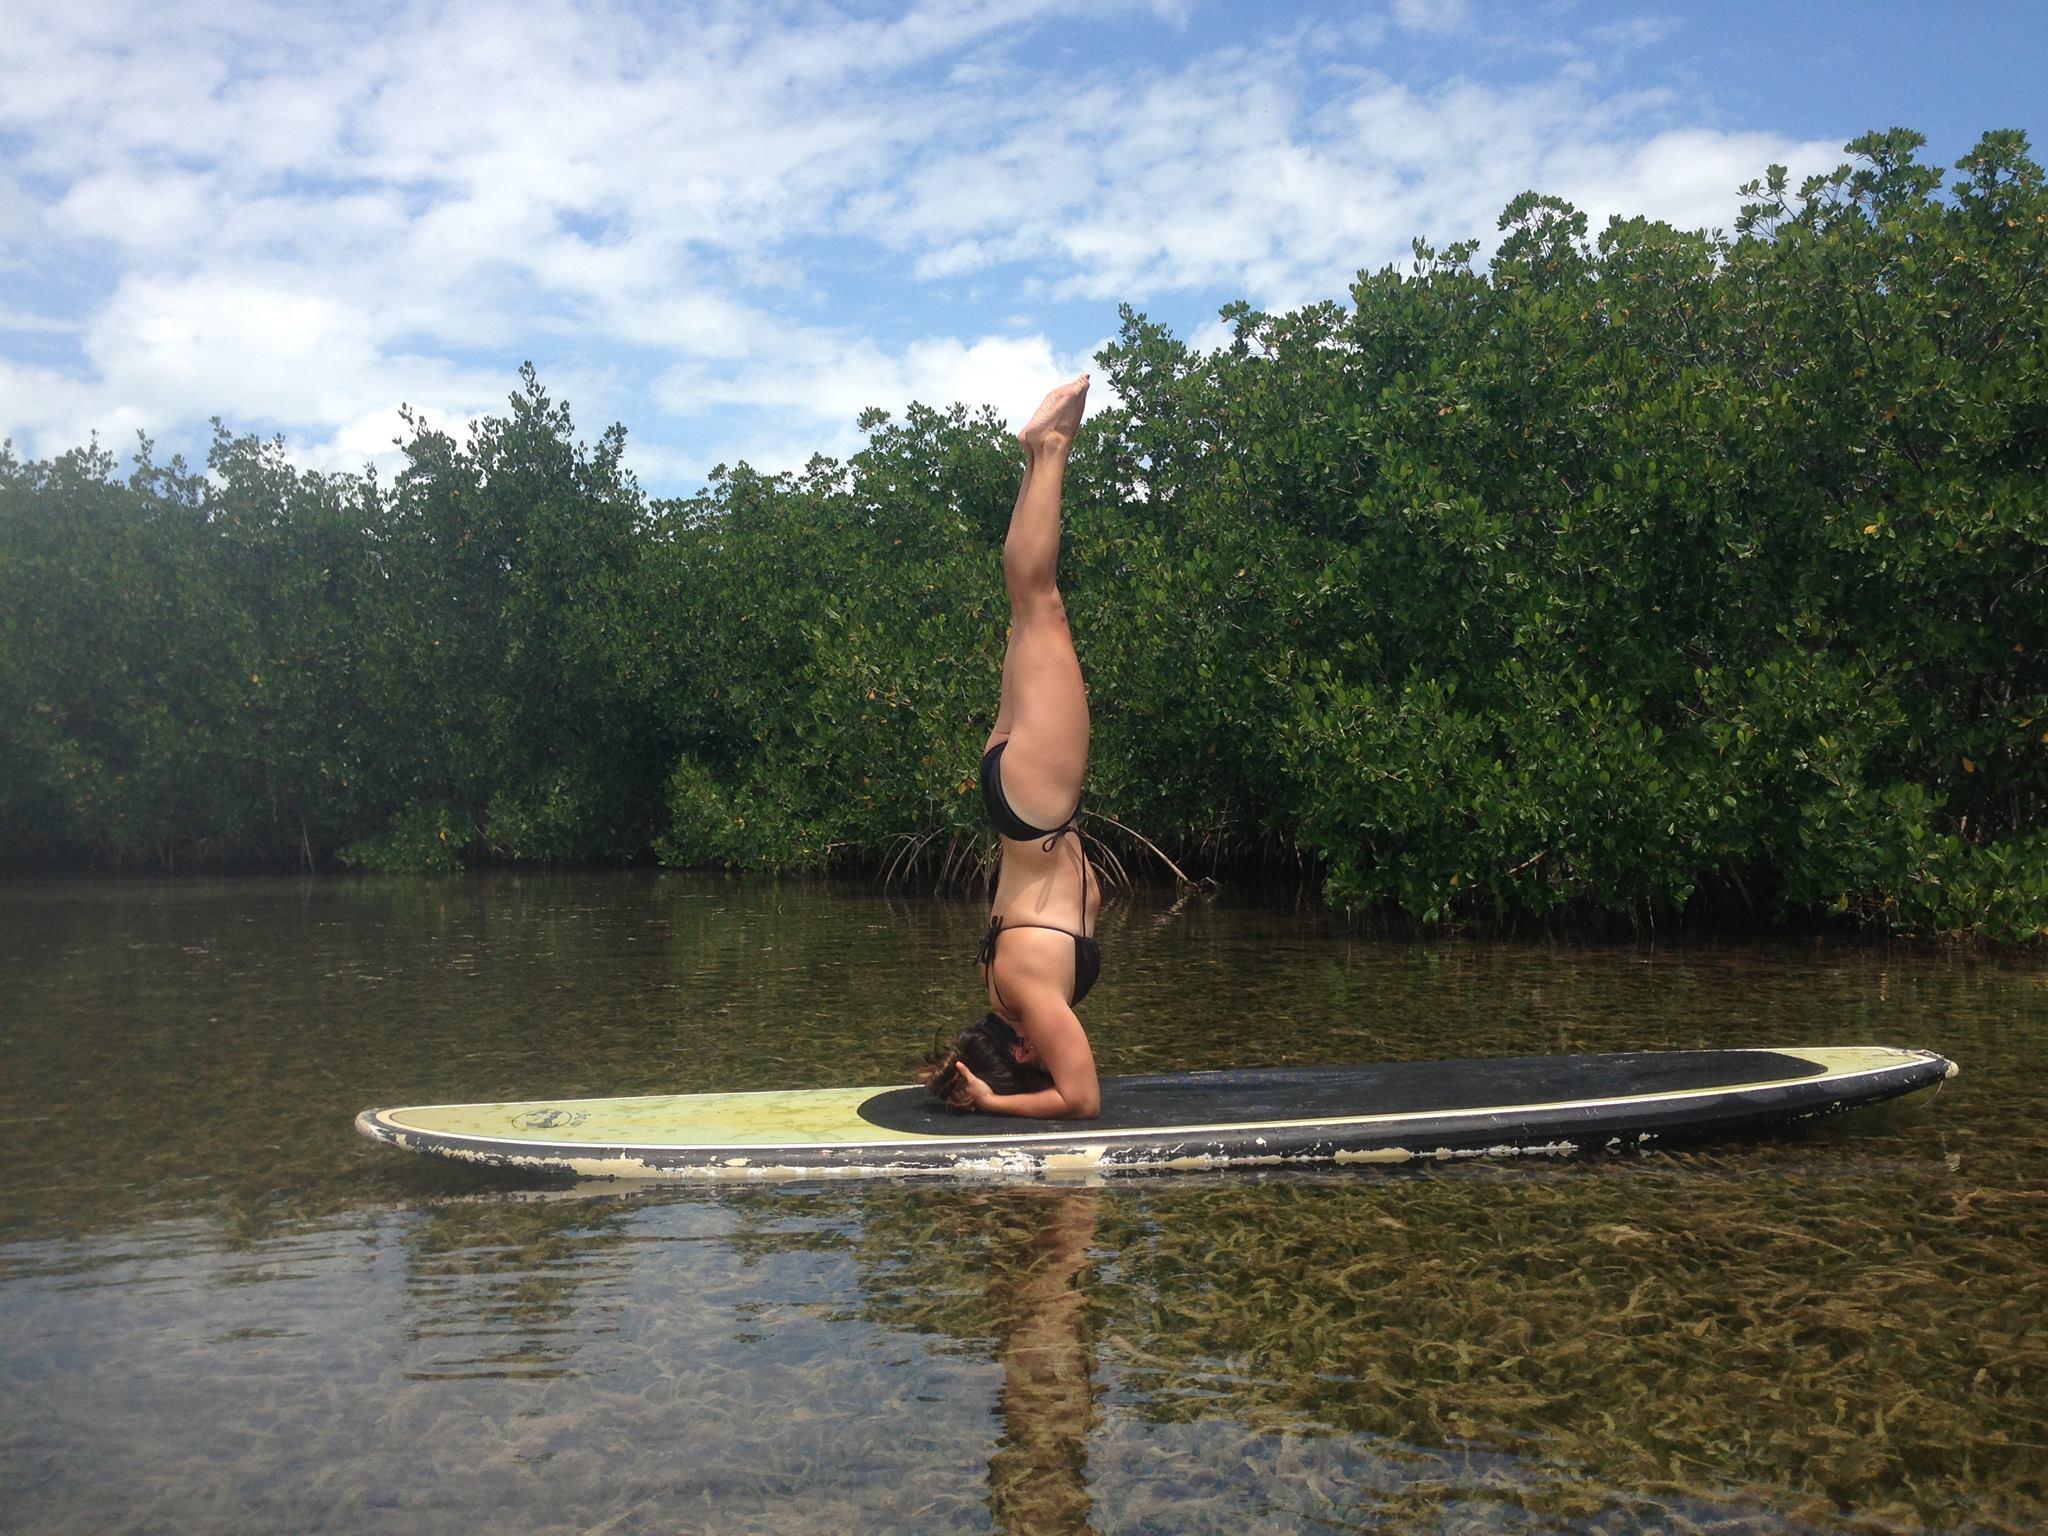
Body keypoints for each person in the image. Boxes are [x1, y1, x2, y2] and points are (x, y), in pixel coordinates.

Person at [920, 375, 1103, 1120]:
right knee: (1029, 616)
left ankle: (1048, 449)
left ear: (1022, 1049)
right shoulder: (1009, 992)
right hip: (1020, 804)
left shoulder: (1028, 993)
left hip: (1037, 805)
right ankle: (1039, 459)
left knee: (1039, 604)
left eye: (1039, 1058)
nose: (1059, 1047)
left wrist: (995, 1104)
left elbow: (1082, 1101)